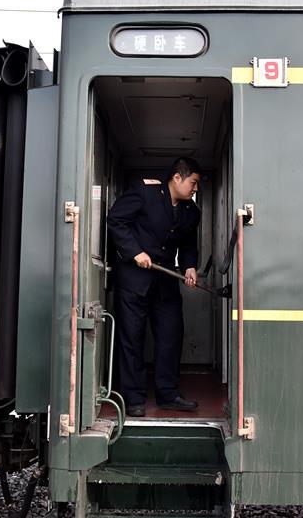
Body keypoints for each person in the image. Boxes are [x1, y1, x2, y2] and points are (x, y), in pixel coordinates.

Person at [106, 157, 202, 417]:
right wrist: (135, 251)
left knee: (171, 335)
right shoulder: (145, 192)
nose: (195, 189)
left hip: (166, 280)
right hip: (134, 280)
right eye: (193, 183)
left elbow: (189, 242)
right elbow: (115, 220)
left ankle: (168, 394)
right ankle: (134, 398)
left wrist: (190, 266)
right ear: (177, 178)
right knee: (132, 339)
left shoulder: (191, 211)